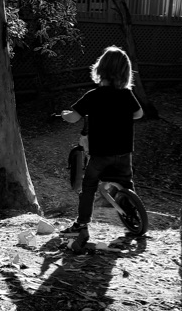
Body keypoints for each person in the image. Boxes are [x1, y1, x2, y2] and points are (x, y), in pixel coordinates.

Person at [60, 45, 143, 239]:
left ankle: (82, 224)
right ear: (125, 73)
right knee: (126, 184)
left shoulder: (93, 96)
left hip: (100, 154)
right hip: (124, 153)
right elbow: (139, 114)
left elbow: (73, 117)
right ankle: (133, 216)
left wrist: (64, 115)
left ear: (100, 69)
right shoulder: (126, 95)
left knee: (88, 186)